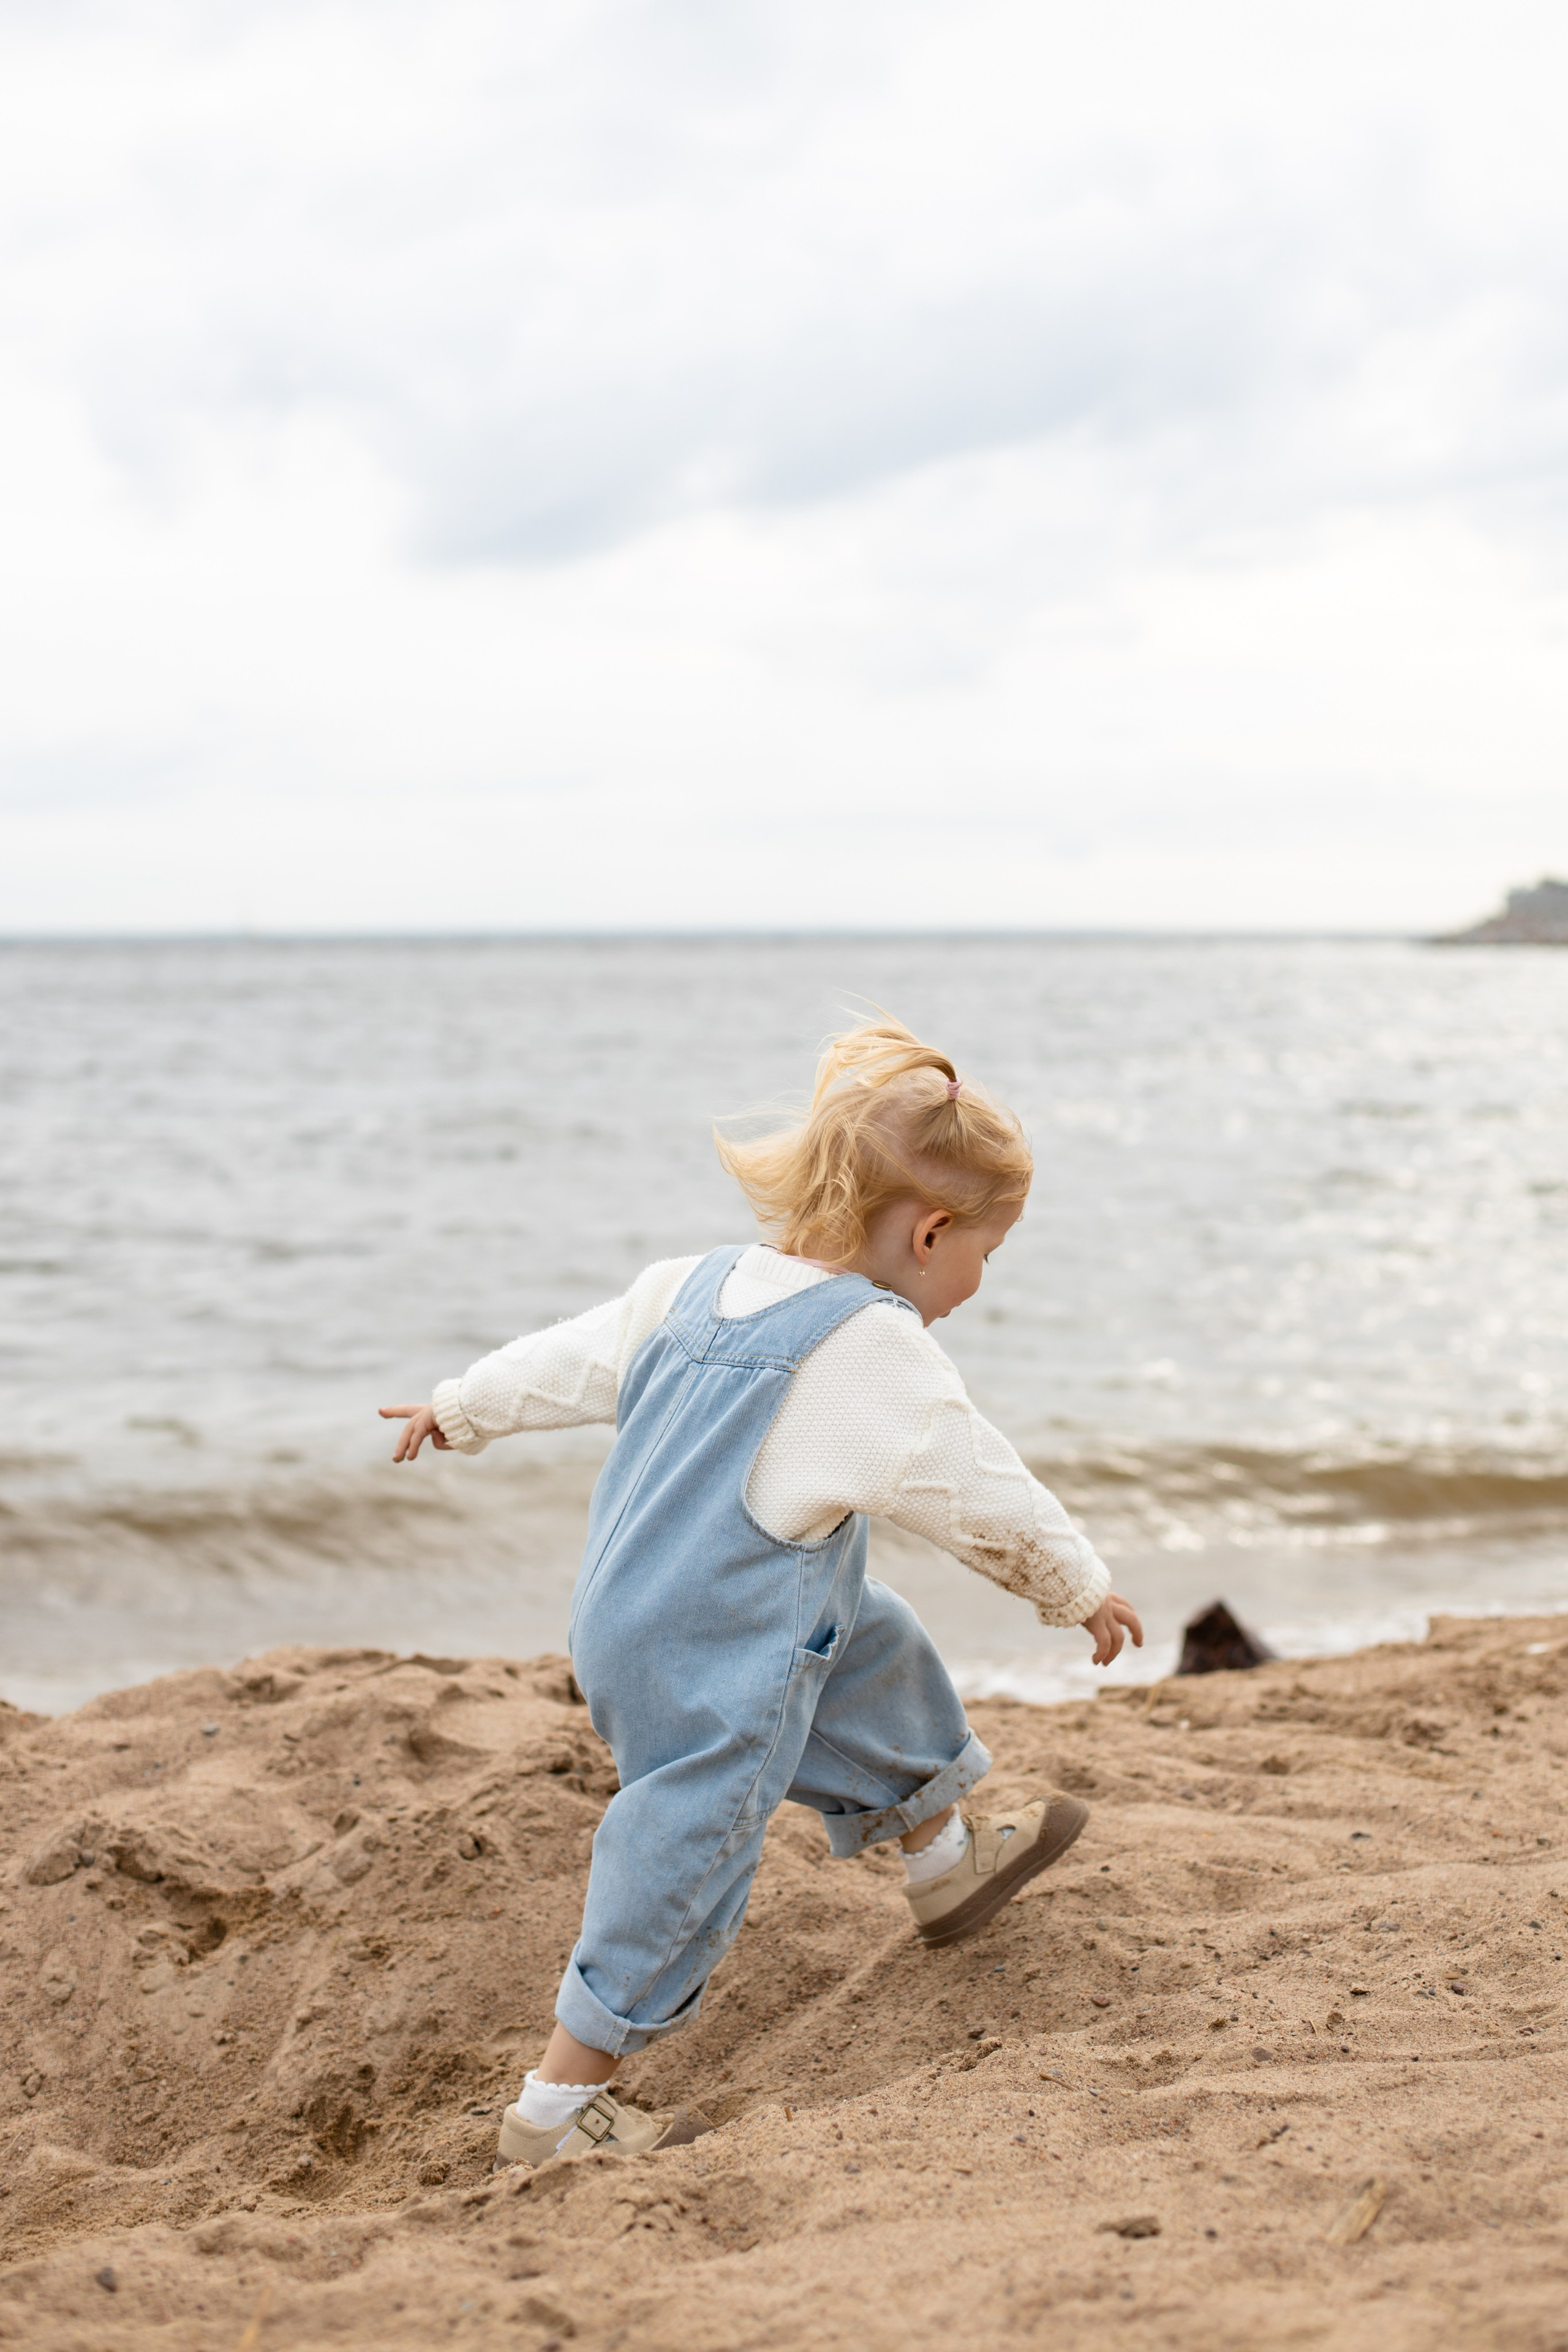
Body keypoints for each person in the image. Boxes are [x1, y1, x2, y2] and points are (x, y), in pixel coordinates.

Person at [381, 1017, 1141, 2168]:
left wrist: (465, 1404)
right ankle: (556, 2107)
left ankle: (943, 1857)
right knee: (690, 1843)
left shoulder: (691, 1285)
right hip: (715, 1654)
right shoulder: (872, 1346)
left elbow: (571, 1359)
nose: (979, 1282)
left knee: (866, 1644)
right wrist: (1076, 1585)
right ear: (929, 1232)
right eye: (988, 1252)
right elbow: (977, 1488)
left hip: (628, 1607)